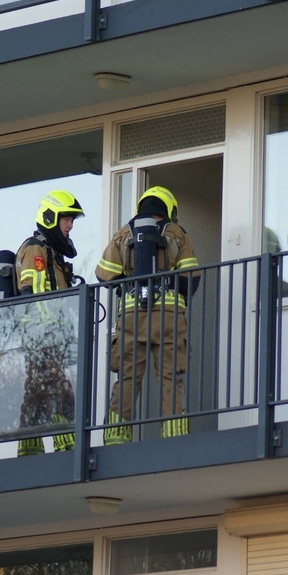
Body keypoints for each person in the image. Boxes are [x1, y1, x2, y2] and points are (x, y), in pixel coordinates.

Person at [95, 186, 199, 444]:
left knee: (127, 376)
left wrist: (129, 283)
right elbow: (191, 278)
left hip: (131, 317)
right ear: (169, 209)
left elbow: (103, 274)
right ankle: (174, 436)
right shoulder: (178, 233)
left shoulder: (122, 234)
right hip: (169, 318)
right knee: (170, 375)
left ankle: (117, 435)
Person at [13, 190, 84, 457]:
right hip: (41, 335)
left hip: (51, 336)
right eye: (66, 218)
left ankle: (28, 447)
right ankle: (65, 446)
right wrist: (47, 332)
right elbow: (31, 293)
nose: (70, 225)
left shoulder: (53, 254)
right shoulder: (36, 247)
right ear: (51, 217)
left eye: (72, 220)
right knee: (58, 388)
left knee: (37, 390)